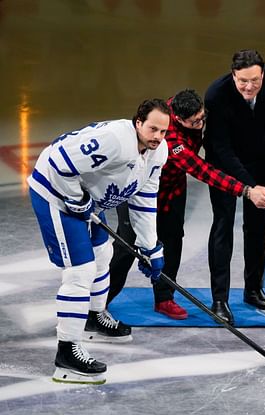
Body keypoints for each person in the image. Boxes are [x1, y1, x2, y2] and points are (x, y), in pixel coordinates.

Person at [27, 99, 171, 384]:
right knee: (80, 271)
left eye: (163, 131)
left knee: (103, 255)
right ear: (138, 122)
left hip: (87, 200)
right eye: (153, 128)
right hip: (55, 194)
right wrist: (76, 198)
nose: (158, 137)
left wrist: (150, 246)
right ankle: (66, 353)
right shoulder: (115, 140)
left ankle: (93, 317)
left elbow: (143, 198)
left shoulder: (158, 152)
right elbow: (59, 163)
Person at [107, 89, 265, 321]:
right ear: (177, 118)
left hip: (173, 189)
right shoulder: (171, 140)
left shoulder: (188, 108)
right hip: (139, 189)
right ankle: (99, 303)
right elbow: (201, 169)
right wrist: (246, 190)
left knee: (173, 240)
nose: (200, 123)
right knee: (127, 247)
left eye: (201, 117)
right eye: (194, 122)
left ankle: (164, 298)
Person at [203, 50, 265, 325]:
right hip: (225, 164)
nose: (249, 87)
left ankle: (253, 289)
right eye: (242, 81)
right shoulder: (216, 95)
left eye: (255, 80)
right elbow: (221, 149)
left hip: (260, 160)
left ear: (262, 74)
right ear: (233, 75)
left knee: (258, 225)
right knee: (223, 224)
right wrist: (249, 188)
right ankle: (219, 299)